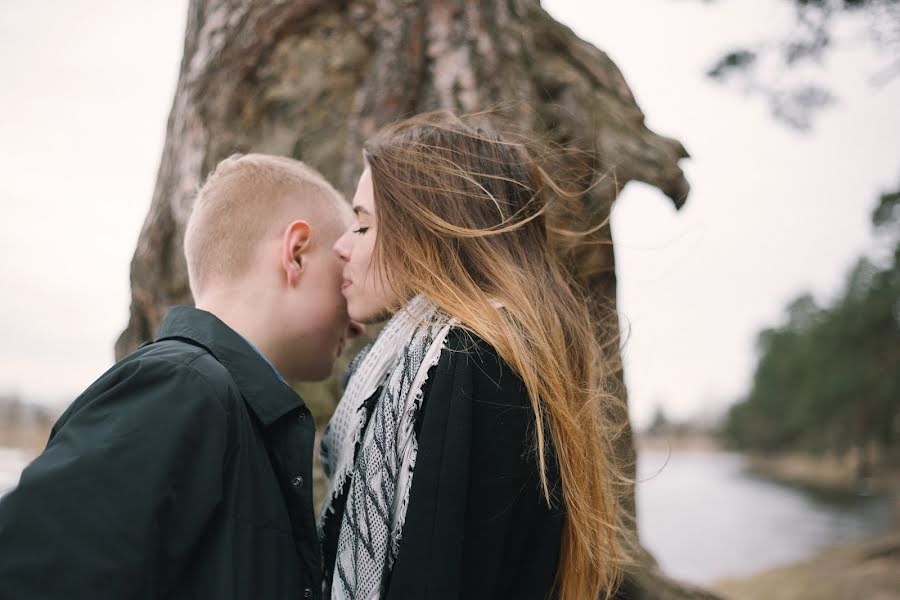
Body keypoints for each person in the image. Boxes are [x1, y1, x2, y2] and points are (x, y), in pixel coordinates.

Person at [0, 154, 360, 600]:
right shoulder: (181, 387)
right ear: (297, 253)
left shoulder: (236, 411)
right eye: (345, 277)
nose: (358, 319)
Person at [319, 112, 626, 600]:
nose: (340, 246)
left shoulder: (468, 362)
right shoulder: (498, 354)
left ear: (426, 234)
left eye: (362, 226)